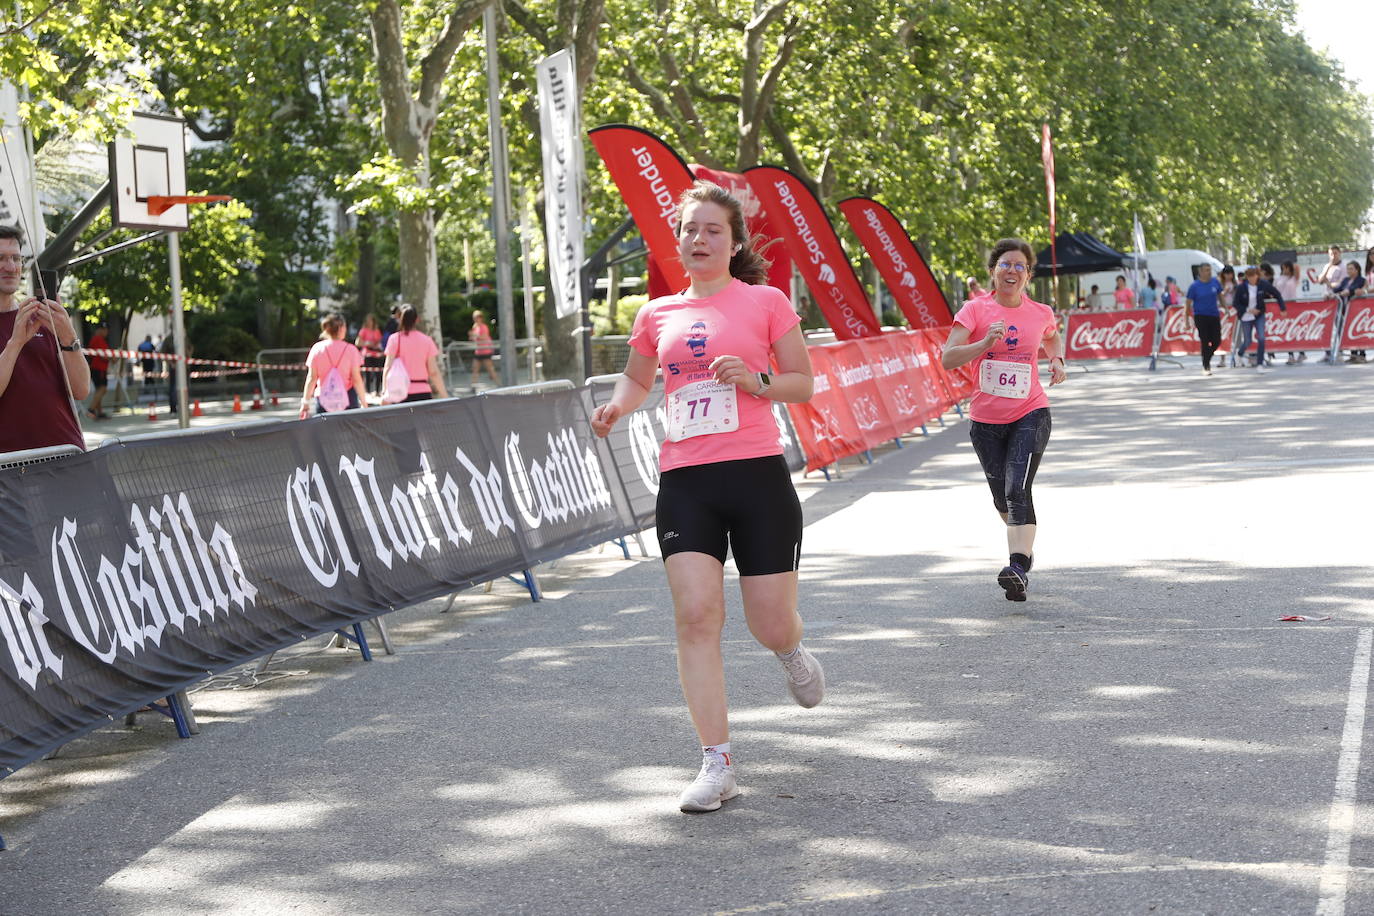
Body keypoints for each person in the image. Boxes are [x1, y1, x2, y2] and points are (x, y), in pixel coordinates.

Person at [590, 180, 821, 814]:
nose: (698, 239)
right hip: (686, 480)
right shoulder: (655, 314)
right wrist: (616, 406)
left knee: (767, 622)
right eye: (690, 229)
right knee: (696, 617)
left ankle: (791, 649)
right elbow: (638, 379)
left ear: (734, 240)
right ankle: (716, 763)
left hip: (756, 476)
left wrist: (757, 380)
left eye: (712, 230)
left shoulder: (766, 301)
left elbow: (803, 381)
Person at [942, 238, 1067, 602]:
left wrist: (1056, 360)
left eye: (1019, 266)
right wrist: (983, 344)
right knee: (1003, 499)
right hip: (985, 421)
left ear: (1028, 275)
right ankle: (1023, 552)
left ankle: (1016, 566)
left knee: (1017, 489)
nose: (1011, 271)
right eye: (1005, 264)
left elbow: (1052, 336)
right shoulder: (974, 310)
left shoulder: (1040, 311)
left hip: (1030, 411)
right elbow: (948, 358)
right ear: (993, 271)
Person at [0, 224, 89, 452]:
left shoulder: (42, 316)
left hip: (67, 456)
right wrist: (16, 342)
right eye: (0, 258)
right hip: (12, 469)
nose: (10, 267)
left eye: (16, 258)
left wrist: (68, 336)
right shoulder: (26, 322)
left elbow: (80, 390)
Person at [299, 313, 367, 418]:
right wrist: (363, 402)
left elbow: (312, 378)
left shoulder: (317, 349)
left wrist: (305, 402)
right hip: (348, 398)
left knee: (326, 433)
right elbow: (356, 379)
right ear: (341, 328)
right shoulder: (351, 350)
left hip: (324, 399)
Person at [383, 304, 448, 402]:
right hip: (423, 392)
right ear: (417, 319)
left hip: (400, 392)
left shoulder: (394, 339)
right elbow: (433, 372)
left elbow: (388, 367)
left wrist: (385, 390)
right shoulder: (427, 340)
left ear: (400, 319)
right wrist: (445, 395)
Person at [1232, 266, 1285, 372]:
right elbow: (1235, 303)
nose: (1252, 278)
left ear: (1257, 275)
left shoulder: (1263, 284)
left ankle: (1260, 363)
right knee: (1248, 341)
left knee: (1261, 338)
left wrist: (1282, 308)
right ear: (1247, 276)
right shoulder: (1241, 287)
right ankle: (1239, 353)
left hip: (1259, 314)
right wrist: (1248, 309)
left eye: (1254, 275)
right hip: (1246, 316)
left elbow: (1277, 294)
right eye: (1249, 276)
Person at [1185, 264, 1224, 376]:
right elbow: (1187, 304)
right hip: (1200, 316)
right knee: (1205, 340)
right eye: (1206, 270)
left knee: (1217, 340)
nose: (1209, 272)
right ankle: (1206, 366)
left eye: (1210, 270)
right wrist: (1186, 320)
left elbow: (1220, 295)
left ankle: (1207, 358)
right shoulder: (1194, 286)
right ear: (1200, 272)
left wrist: (1225, 307)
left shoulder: (1215, 282)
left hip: (1214, 315)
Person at [1332, 261, 1366, 363]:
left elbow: (1354, 289)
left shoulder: (1361, 280)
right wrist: (1331, 292)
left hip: (1357, 310)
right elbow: (1337, 289)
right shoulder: (1345, 280)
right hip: (1345, 310)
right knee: (1349, 331)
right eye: (1348, 269)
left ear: (1357, 269)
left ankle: (1362, 354)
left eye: (1351, 268)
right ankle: (1353, 354)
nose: (1349, 271)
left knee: (1358, 331)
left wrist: (1348, 292)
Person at [1274, 261, 1304, 365]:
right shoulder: (1279, 278)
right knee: (1287, 331)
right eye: (1283, 268)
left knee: (1295, 330)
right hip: (1283, 305)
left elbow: (1297, 268)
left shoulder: (1293, 278)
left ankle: (1301, 351)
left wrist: (1292, 266)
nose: (1284, 270)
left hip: (1293, 305)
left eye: (1286, 268)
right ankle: (1291, 355)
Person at [354, 313, 384, 398]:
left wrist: (376, 345)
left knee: (378, 373)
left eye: (372, 320)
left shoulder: (377, 331)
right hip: (367, 354)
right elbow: (358, 343)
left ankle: (377, 391)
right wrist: (366, 343)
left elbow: (379, 342)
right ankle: (367, 392)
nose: (370, 322)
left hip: (376, 354)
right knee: (367, 373)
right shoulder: (363, 330)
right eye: (369, 320)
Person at [85, 322, 110, 420]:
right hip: (99, 368)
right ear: (100, 330)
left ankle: (99, 412)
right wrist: (112, 358)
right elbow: (104, 356)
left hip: (95, 368)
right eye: (105, 330)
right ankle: (91, 409)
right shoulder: (99, 339)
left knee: (98, 390)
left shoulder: (94, 339)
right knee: (102, 389)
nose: (106, 332)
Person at [468, 309, 499, 385]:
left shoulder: (484, 326)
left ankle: (499, 385)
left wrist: (475, 335)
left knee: (490, 370)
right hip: (478, 351)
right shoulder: (475, 327)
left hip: (485, 351)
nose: (476, 319)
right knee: (475, 369)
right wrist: (471, 337)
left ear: (481, 318)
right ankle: (473, 386)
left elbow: (484, 336)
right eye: (474, 317)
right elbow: (474, 338)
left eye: (478, 317)